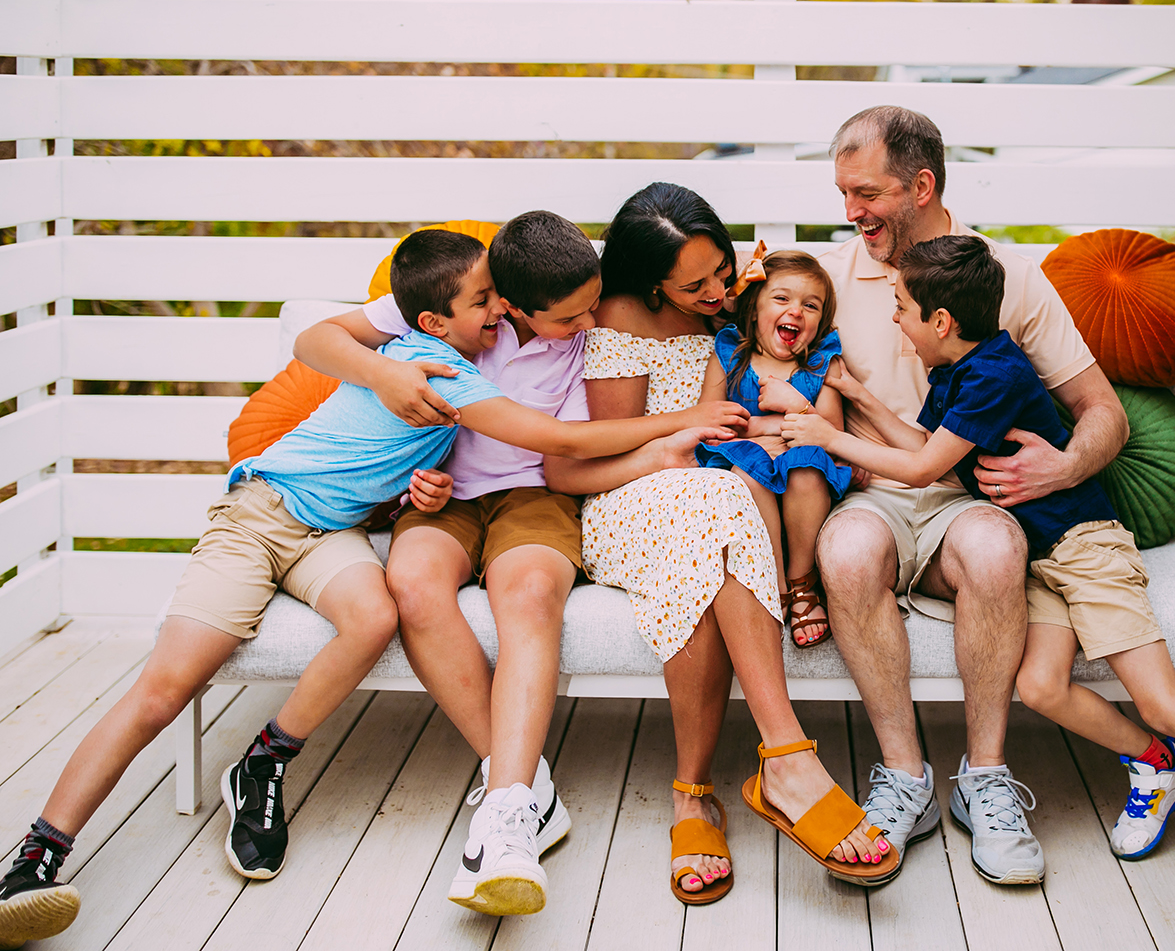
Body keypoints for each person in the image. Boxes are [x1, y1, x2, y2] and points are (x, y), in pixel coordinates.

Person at [0, 227, 750, 948]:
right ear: (444, 315)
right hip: (261, 512)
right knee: (162, 693)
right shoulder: (438, 362)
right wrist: (386, 371)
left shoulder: (469, 334)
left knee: (372, 617)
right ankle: (37, 857)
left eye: (495, 296)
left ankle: (267, 757)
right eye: (485, 299)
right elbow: (548, 436)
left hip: (339, 533)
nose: (495, 312)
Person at [786, 234, 1175, 940]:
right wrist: (855, 397)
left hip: (1086, 549)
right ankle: (1159, 767)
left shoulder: (994, 374)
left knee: (1162, 699)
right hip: (1040, 558)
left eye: (902, 309)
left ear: (940, 321)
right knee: (1039, 687)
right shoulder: (952, 366)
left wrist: (825, 439)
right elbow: (929, 453)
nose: (893, 321)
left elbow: (920, 476)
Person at [290, 217, 744, 918]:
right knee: (410, 583)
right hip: (443, 493)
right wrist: (385, 373)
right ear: (509, 304)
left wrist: (681, 421)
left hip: (537, 496)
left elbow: (571, 445)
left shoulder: (583, 340)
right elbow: (315, 335)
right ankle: (529, 788)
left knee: (530, 594)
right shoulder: (467, 309)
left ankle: (503, 821)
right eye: (569, 317)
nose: (590, 322)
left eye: (591, 307)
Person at [553, 182, 896, 904]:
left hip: (721, 500)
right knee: (723, 495)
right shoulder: (618, 319)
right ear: (653, 285)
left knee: (717, 522)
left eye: (722, 269)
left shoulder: (748, 298)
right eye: (695, 284)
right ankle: (787, 758)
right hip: (632, 496)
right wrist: (677, 438)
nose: (718, 289)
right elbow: (592, 461)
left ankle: (693, 795)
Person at [814, 105, 1128, 884]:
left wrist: (1062, 467)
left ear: (920, 185)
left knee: (995, 548)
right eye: (843, 195)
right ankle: (904, 779)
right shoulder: (828, 273)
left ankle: (985, 778)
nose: (851, 214)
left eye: (867, 194)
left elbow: (1106, 415)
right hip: (880, 492)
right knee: (847, 550)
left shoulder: (1009, 276)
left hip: (966, 499)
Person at [695, 247, 850, 648]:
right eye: (781, 298)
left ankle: (802, 584)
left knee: (806, 464)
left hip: (805, 468)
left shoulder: (821, 363)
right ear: (753, 310)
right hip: (744, 463)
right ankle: (775, 580)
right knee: (749, 470)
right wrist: (770, 431)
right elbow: (708, 420)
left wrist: (787, 413)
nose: (795, 311)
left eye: (810, 305)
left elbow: (831, 429)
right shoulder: (731, 353)